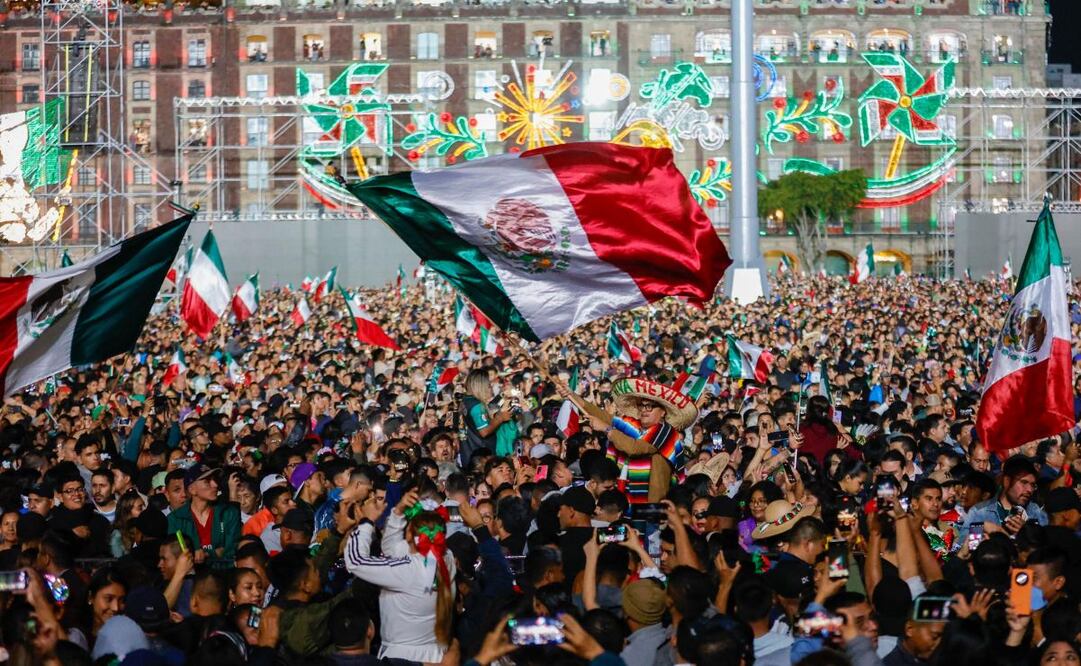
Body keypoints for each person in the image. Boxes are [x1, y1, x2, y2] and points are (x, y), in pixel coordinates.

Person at [558, 376, 695, 503]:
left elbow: (635, 448)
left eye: (650, 406)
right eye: (641, 405)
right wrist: (572, 395)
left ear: (663, 411)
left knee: (642, 530)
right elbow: (602, 416)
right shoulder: (632, 424)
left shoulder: (666, 431)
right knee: (621, 530)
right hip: (622, 500)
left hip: (650, 505)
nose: (644, 410)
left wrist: (607, 429)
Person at [167, 463, 242, 563]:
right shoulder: (175, 519)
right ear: (192, 490)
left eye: (214, 479)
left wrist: (206, 554)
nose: (215, 485)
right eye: (207, 481)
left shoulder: (229, 513)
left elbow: (232, 551)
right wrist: (216, 552)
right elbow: (178, 556)